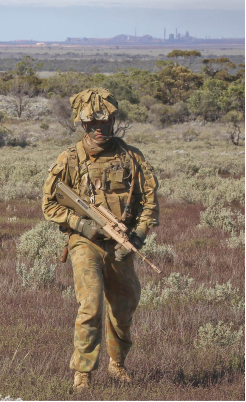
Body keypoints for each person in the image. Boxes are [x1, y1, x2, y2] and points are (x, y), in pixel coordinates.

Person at [41, 88, 159, 391]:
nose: (99, 129)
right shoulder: (69, 159)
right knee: (91, 304)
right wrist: (81, 224)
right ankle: (83, 372)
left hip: (122, 243)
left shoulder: (131, 157)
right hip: (85, 242)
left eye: (104, 123)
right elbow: (50, 204)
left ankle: (117, 364)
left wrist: (140, 235)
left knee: (124, 306)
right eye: (92, 124)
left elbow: (150, 202)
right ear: (82, 125)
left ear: (113, 121)